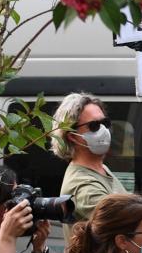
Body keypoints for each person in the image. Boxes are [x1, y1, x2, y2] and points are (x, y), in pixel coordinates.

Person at [50, 93, 126, 238]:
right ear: (72, 136)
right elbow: (127, 219)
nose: (104, 130)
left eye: (105, 123)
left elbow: (130, 206)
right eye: (94, 126)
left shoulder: (101, 169)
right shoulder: (80, 183)